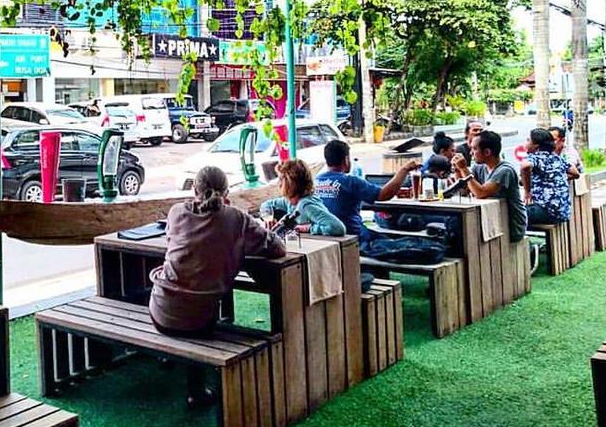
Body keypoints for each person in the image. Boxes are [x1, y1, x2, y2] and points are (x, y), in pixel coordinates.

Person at [149, 165, 286, 405]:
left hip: (160, 313)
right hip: (201, 320)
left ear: (193, 189)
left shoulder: (175, 212)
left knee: (177, 291)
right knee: (199, 304)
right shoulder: (237, 218)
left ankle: (168, 358)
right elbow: (277, 248)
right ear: (227, 193)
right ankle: (196, 392)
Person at [314, 140, 420, 238]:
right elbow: (384, 194)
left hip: (325, 236)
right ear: (346, 159)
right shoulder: (351, 182)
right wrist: (404, 170)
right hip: (353, 237)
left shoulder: (316, 181)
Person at [451, 130, 527, 242]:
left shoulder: (505, 170)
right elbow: (464, 191)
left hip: (511, 226)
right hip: (491, 221)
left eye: (474, 149)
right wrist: (458, 171)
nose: (471, 152)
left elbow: (481, 193)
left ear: (487, 152)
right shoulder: (479, 167)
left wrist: (464, 169)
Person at [260, 159, 346, 237]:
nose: (279, 184)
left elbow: (338, 228)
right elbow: (266, 204)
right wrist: (268, 217)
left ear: (289, 183)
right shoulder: (290, 201)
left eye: (281, 179)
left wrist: (308, 228)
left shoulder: (306, 206)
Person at [520, 128, 579, 225]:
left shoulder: (536, 157)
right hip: (562, 212)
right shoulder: (557, 158)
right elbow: (575, 173)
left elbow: (525, 166)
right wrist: (554, 177)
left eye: (528, 140)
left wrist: (527, 191)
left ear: (536, 146)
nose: (526, 143)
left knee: (514, 213)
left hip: (546, 211)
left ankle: (524, 240)